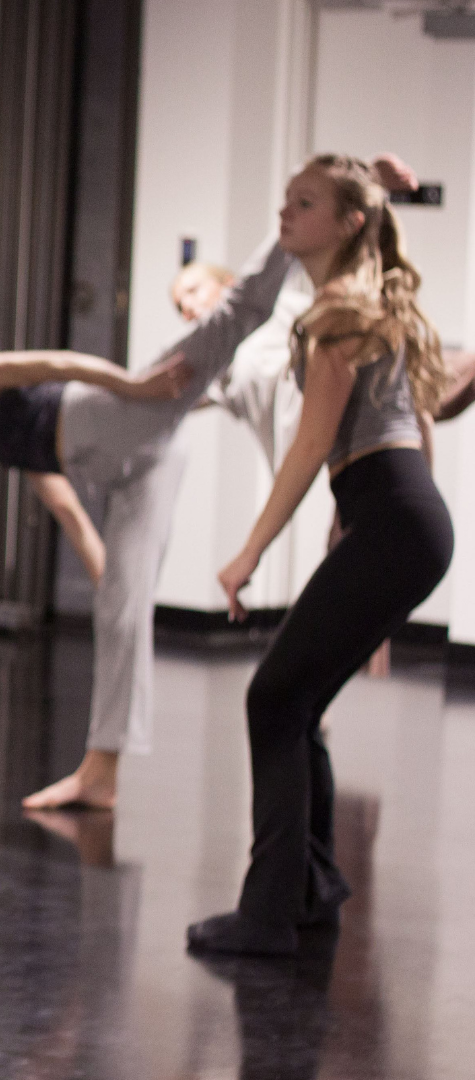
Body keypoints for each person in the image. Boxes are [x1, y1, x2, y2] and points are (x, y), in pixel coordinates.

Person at [0, 225, 302, 810]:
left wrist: (131, 386)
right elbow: (63, 502)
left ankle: (289, 230)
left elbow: (57, 362)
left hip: (117, 417)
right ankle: (101, 773)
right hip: (135, 466)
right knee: (120, 613)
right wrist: (103, 576)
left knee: (230, 319)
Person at [188, 155, 454, 957]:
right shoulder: (366, 304)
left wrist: (246, 553)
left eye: (304, 204)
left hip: (395, 520)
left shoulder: (340, 311)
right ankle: (310, 892)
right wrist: (357, 529)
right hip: (400, 519)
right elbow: (412, 432)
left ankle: (270, 914)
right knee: (294, 703)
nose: (285, 215)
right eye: (285, 201)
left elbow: (309, 447)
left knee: (273, 700)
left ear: (345, 224)